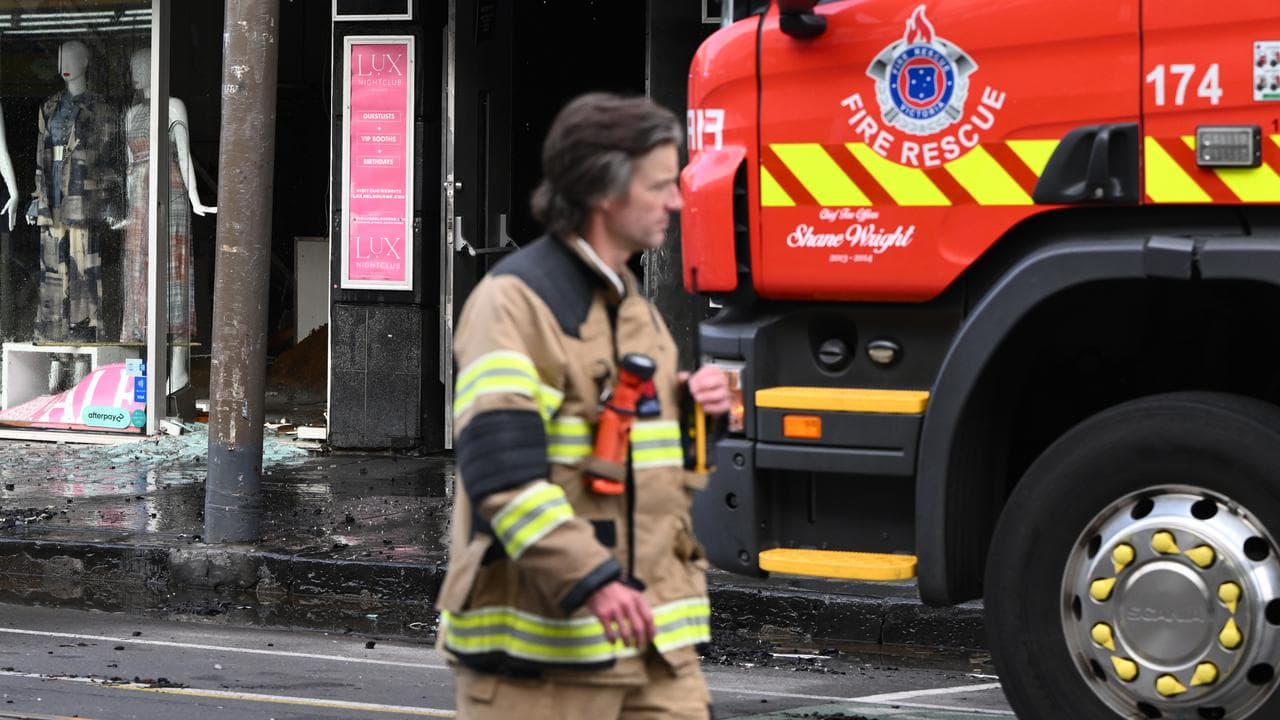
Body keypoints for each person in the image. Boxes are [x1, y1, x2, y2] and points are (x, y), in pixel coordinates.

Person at [437, 92, 731, 719]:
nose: (676, 202)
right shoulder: (513, 304)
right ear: (605, 191)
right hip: (542, 664)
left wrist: (697, 416)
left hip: (656, 650)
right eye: (660, 186)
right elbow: (502, 476)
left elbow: (648, 466)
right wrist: (593, 580)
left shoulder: (634, 309)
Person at [118, 47, 217, 394]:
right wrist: (129, 210)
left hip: (170, 194)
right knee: (139, 277)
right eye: (133, 67)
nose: (136, 73)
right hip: (140, 200)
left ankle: (178, 369)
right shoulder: (131, 114)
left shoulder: (173, 106)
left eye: (141, 66)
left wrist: (195, 198)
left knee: (173, 276)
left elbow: (183, 154)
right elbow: (129, 166)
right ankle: (144, 371)